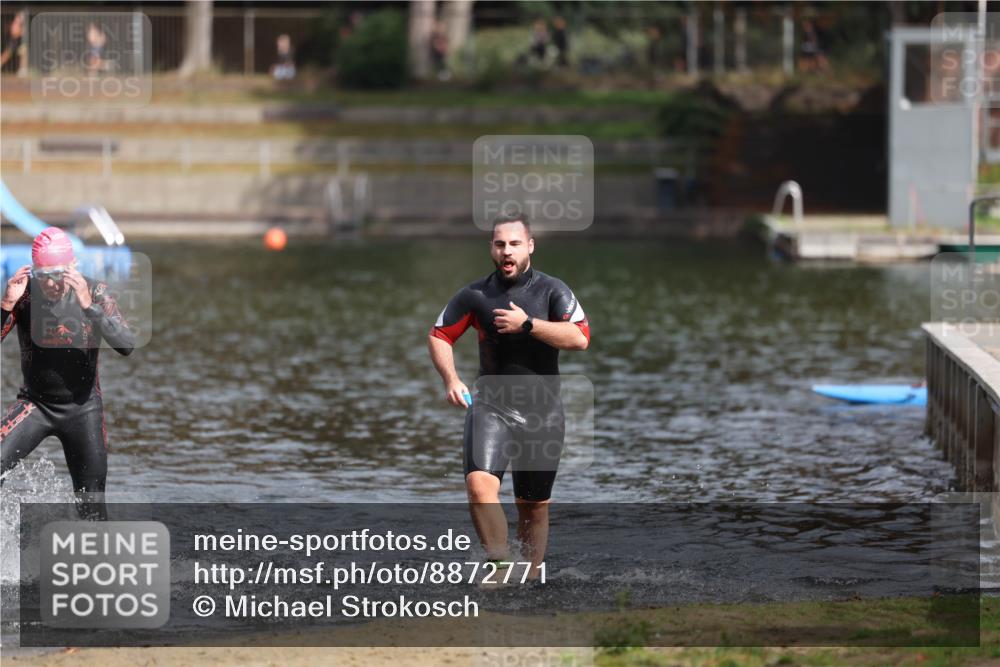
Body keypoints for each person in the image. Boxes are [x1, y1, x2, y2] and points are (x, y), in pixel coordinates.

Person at [427, 212, 589, 580]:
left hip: (543, 413)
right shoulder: (476, 295)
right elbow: (439, 335)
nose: (507, 251)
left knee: (533, 505)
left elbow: (580, 337)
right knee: (478, 485)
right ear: (491, 249)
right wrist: (451, 379)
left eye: (515, 243)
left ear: (530, 246)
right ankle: (499, 566)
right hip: (491, 406)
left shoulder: (553, 291)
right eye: (500, 244)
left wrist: (527, 325)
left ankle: (529, 581)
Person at [1, 227, 135, 519]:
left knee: (92, 508)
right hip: (35, 405)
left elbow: (126, 344)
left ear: (73, 265)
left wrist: (88, 306)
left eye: (58, 274)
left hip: (83, 410)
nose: (51, 283)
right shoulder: (23, 295)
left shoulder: (95, 292)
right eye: (43, 275)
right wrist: (6, 305)